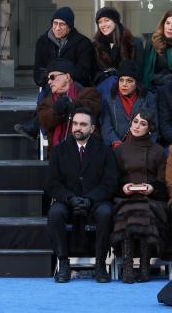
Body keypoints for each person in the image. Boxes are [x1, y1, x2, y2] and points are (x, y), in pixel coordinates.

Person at [46, 108, 117, 283]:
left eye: (83, 124)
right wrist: (70, 198)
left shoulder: (105, 151)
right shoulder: (59, 150)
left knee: (106, 213)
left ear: (92, 129)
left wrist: (90, 199)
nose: (78, 127)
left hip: (95, 201)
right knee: (55, 213)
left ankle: (100, 264)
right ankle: (63, 263)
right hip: (68, 201)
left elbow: (110, 183)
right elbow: (52, 184)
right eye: (75, 123)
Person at [15, 6, 95, 139]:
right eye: (55, 23)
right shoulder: (43, 41)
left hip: (74, 84)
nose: (57, 28)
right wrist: (53, 78)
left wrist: (64, 77)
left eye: (62, 24)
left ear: (69, 27)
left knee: (51, 93)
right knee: (45, 94)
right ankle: (39, 128)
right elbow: (38, 72)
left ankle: (35, 127)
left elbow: (84, 72)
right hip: (50, 84)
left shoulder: (83, 43)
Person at [110, 109, 168, 283]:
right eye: (135, 122)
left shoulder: (158, 151)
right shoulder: (120, 150)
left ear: (149, 129)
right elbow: (112, 182)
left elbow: (163, 184)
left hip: (151, 199)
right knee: (130, 211)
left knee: (143, 210)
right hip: (125, 198)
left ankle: (144, 266)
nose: (137, 126)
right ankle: (128, 266)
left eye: (143, 124)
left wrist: (151, 188)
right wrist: (124, 188)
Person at [37, 58, 102, 155]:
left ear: (67, 77)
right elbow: (44, 121)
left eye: (52, 77)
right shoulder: (47, 101)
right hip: (59, 155)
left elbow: (93, 107)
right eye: (48, 79)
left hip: (87, 152)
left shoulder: (88, 92)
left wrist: (71, 103)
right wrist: (58, 111)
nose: (49, 82)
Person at [100, 60, 157, 148]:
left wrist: (146, 146)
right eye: (121, 80)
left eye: (129, 81)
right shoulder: (109, 99)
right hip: (116, 146)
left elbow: (154, 126)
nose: (124, 84)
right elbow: (106, 127)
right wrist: (115, 142)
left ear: (136, 83)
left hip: (142, 147)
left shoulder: (148, 98)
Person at [92, 6, 144, 97]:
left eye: (107, 20)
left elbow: (139, 70)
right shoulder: (95, 45)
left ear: (115, 21)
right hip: (104, 89)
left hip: (130, 89)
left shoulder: (133, 43)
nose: (103, 24)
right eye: (100, 22)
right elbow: (93, 72)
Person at [142, 9, 172, 90]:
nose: (170, 28)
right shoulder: (152, 42)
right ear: (163, 24)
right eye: (168, 23)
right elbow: (146, 72)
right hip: (155, 91)